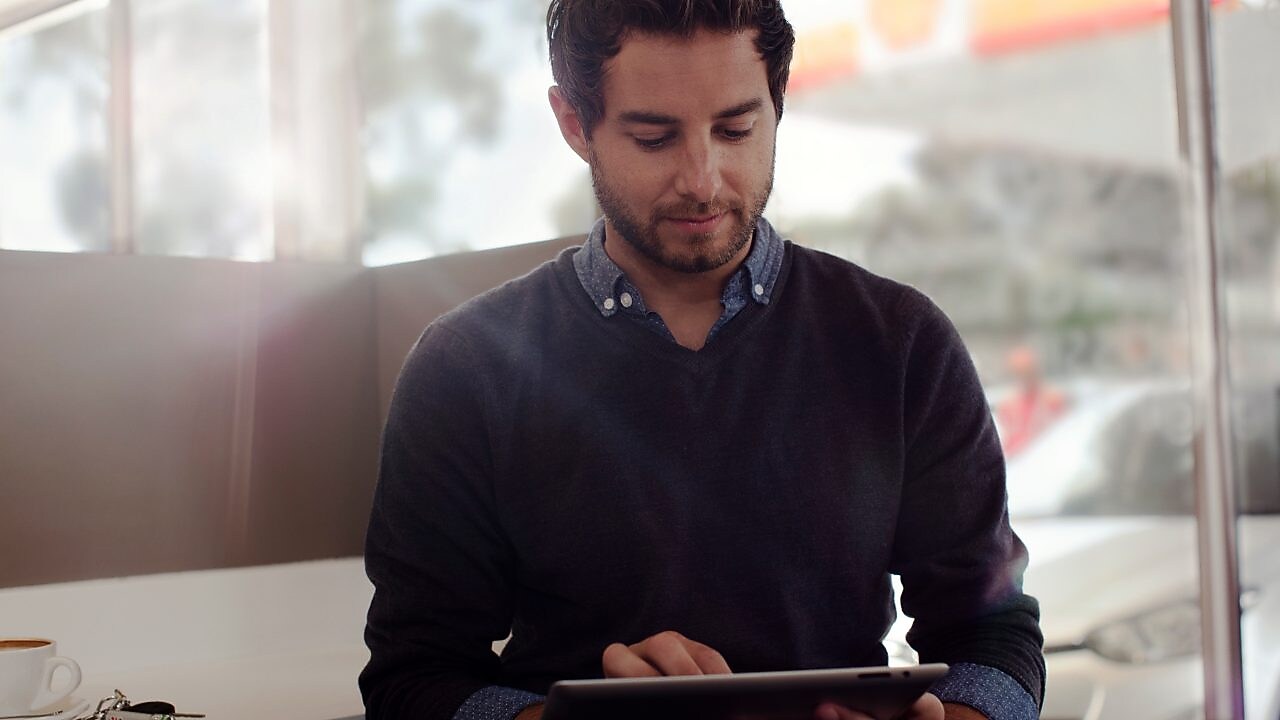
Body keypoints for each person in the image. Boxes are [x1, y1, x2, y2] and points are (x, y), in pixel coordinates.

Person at [359, 2, 1045, 719]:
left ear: (778, 101)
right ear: (574, 124)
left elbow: (993, 632)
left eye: (735, 129)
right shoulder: (466, 369)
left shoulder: (901, 344)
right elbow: (413, 677)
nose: (703, 179)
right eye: (654, 137)